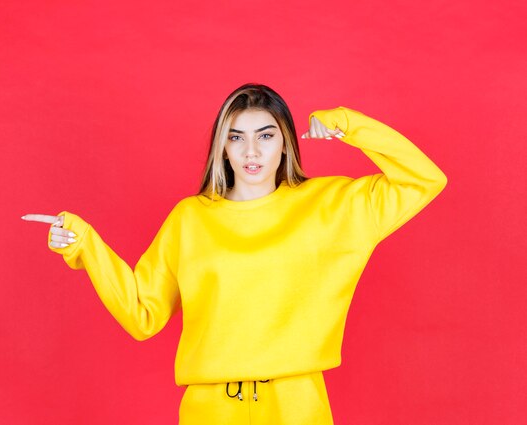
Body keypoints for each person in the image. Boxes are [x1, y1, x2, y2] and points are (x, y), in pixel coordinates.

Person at [22, 83, 447, 424]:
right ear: (221, 147)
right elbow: (141, 314)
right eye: (236, 138)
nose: (251, 152)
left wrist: (350, 126)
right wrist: (84, 245)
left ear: (286, 143)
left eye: (266, 136)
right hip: (209, 408)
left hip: (296, 404)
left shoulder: (333, 206)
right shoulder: (191, 219)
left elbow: (423, 180)